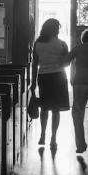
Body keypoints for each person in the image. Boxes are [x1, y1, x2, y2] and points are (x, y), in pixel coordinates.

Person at [30, 18, 70, 149]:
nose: (59, 30)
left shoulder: (38, 43)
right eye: (58, 27)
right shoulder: (62, 44)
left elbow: (35, 65)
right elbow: (66, 63)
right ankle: (53, 138)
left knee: (44, 108)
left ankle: (42, 135)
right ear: (55, 29)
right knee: (56, 109)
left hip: (44, 77)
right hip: (58, 77)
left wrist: (33, 82)